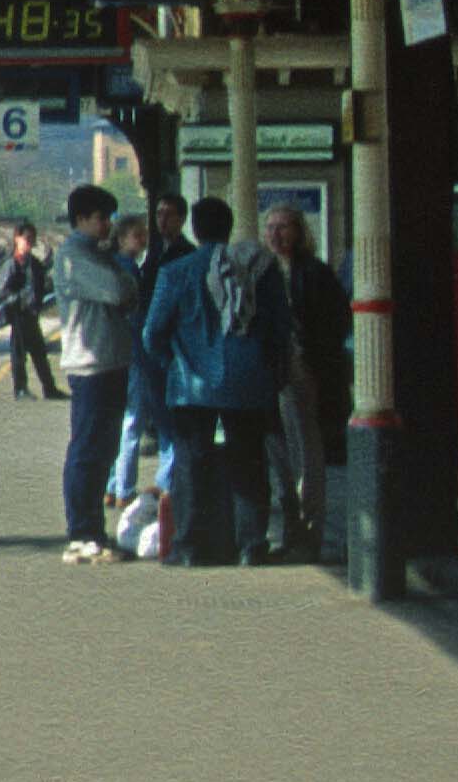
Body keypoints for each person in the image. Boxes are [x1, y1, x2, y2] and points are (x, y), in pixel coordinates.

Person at [136, 195, 293, 566]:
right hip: (249, 383)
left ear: (195, 228)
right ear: (230, 226)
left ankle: (190, 547)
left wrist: (173, 363)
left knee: (191, 462)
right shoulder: (261, 268)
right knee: (250, 461)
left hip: (191, 386)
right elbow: (280, 327)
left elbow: (151, 333)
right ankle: (251, 545)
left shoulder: (176, 272)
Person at [46, 185, 138, 561]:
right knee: (87, 450)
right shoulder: (74, 256)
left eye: (110, 218)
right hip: (91, 364)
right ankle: (81, 532)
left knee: (103, 451)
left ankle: (93, 530)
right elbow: (121, 290)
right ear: (81, 219)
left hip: (110, 361)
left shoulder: (97, 254)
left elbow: (132, 288)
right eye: (102, 218)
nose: (107, 225)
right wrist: (123, 273)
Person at [261, 202, 350, 561]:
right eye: (270, 227)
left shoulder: (314, 273)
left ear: (298, 231)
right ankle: (289, 530)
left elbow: (332, 323)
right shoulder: (264, 272)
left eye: (283, 227)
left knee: (305, 454)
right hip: (270, 374)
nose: (276, 234)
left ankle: (309, 532)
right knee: (279, 457)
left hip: (302, 371)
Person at [0, 222, 59, 397]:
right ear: (17, 239)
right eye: (26, 238)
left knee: (40, 353)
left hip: (31, 314)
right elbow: (0, 291)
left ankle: (49, 388)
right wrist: (17, 298)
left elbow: (43, 286)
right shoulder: (11, 264)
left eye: (32, 238)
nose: (30, 242)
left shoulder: (35, 264)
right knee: (19, 354)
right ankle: (21, 389)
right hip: (18, 315)